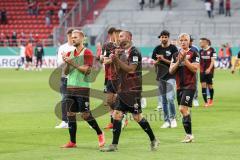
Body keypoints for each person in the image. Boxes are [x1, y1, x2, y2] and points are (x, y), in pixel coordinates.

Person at [100, 31, 159, 152]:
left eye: (121, 36)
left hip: (133, 89)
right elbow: (118, 70)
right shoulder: (121, 52)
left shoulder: (134, 52)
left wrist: (116, 59)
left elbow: (131, 70)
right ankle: (114, 145)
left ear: (129, 37)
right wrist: (114, 59)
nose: (119, 38)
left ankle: (153, 139)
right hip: (123, 89)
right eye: (119, 36)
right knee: (117, 115)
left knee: (137, 117)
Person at [61, 29, 105, 148]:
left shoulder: (87, 53)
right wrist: (66, 62)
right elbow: (66, 72)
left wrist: (72, 63)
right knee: (70, 114)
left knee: (85, 115)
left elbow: (87, 70)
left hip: (82, 88)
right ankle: (72, 142)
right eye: (72, 37)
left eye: (75, 37)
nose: (73, 39)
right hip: (70, 87)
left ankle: (100, 133)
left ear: (82, 39)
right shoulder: (70, 53)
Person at [169, 33, 199, 143]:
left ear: (189, 41)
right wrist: (179, 61)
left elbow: (195, 69)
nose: (183, 42)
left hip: (190, 85)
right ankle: (188, 135)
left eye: (185, 40)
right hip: (179, 87)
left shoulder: (194, 53)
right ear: (178, 42)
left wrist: (185, 61)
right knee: (184, 110)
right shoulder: (175, 55)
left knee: (182, 109)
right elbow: (171, 71)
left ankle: (189, 135)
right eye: (181, 40)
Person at [152, 30, 178, 128]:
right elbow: (154, 62)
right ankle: (166, 121)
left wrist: (163, 59)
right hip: (160, 77)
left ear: (168, 38)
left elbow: (175, 63)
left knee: (170, 98)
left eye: (165, 37)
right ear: (160, 38)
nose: (164, 39)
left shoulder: (173, 48)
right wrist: (156, 62)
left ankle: (173, 118)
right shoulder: (157, 49)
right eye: (162, 37)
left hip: (171, 76)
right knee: (163, 100)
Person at [55, 28, 75, 129]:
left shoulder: (79, 48)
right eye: (70, 36)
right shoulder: (62, 48)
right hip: (64, 76)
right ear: (67, 36)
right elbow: (59, 63)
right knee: (64, 99)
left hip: (76, 77)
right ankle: (64, 121)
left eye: (73, 36)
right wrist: (66, 60)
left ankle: (88, 119)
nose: (72, 38)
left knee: (78, 99)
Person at [199, 38, 216, 107]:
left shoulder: (212, 50)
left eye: (201, 43)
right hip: (202, 71)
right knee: (203, 85)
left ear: (205, 42)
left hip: (210, 71)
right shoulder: (200, 51)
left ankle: (211, 100)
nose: (200, 44)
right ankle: (206, 102)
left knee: (210, 86)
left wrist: (209, 69)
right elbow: (199, 61)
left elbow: (212, 61)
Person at [190, 36, 200, 107]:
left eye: (191, 40)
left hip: (193, 69)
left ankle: (195, 99)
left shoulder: (195, 48)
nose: (191, 42)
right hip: (184, 70)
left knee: (195, 84)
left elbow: (198, 59)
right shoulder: (181, 48)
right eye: (190, 40)